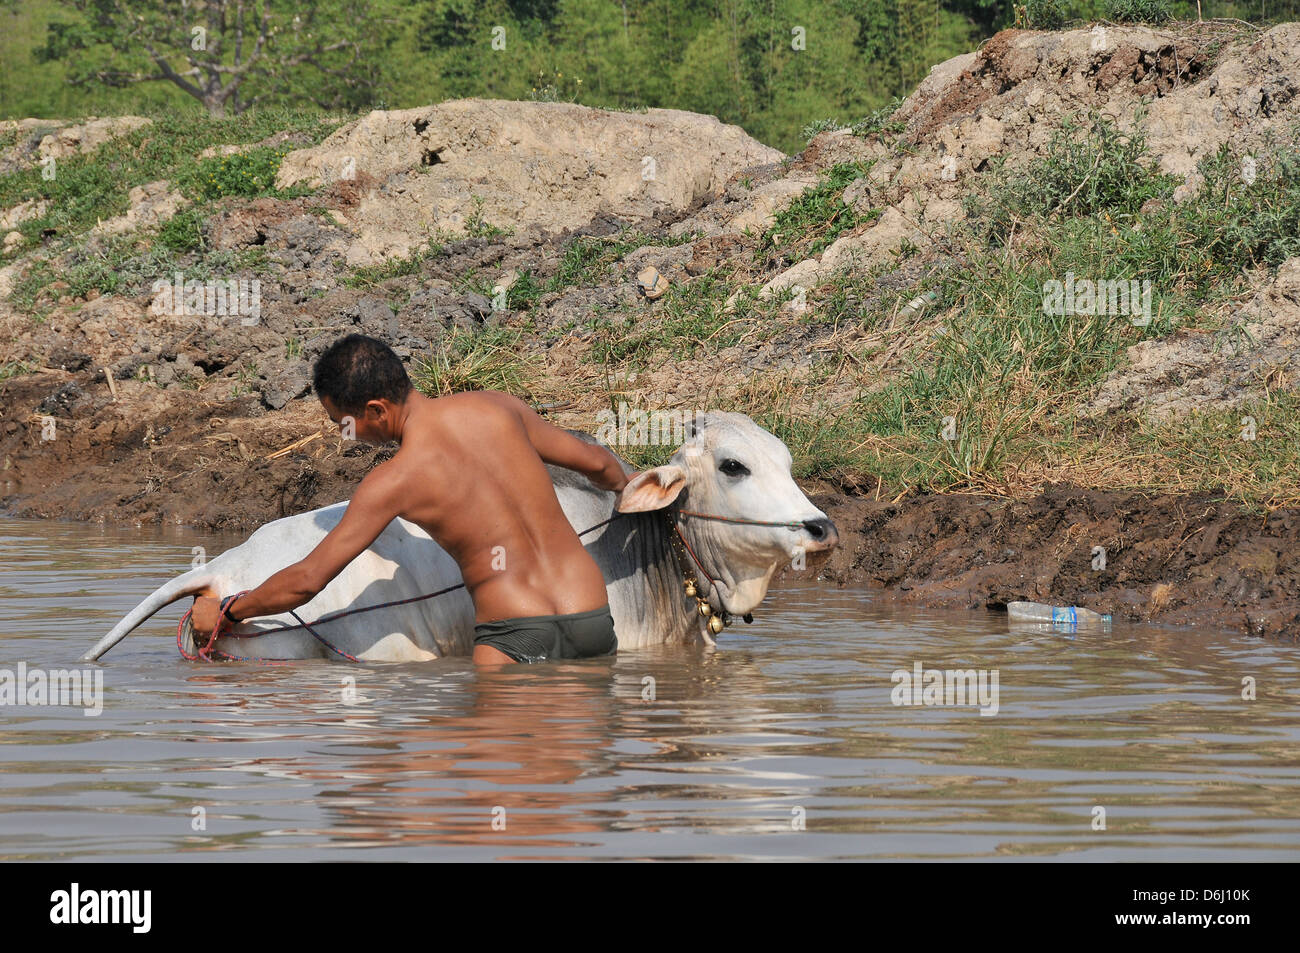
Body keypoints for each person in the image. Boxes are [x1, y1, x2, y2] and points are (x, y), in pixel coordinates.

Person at [190, 334, 631, 664]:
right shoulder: (498, 408)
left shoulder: (394, 481)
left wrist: (229, 611)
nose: (342, 434)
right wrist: (629, 490)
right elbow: (597, 462)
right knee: (577, 767)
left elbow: (308, 578)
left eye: (342, 423)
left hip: (513, 635)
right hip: (590, 615)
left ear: (377, 411)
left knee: (498, 780)